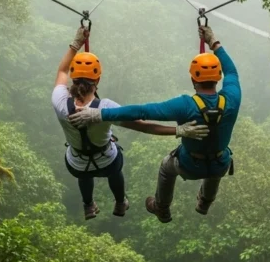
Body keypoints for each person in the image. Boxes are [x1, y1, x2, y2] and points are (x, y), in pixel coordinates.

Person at [68, 25, 240, 223]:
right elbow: (233, 73)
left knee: (167, 167)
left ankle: (162, 207)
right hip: (220, 163)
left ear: (193, 80)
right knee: (217, 165)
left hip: (190, 165)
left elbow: (142, 111)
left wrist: (99, 114)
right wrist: (214, 43)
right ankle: (205, 202)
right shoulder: (232, 99)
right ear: (218, 78)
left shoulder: (185, 105)